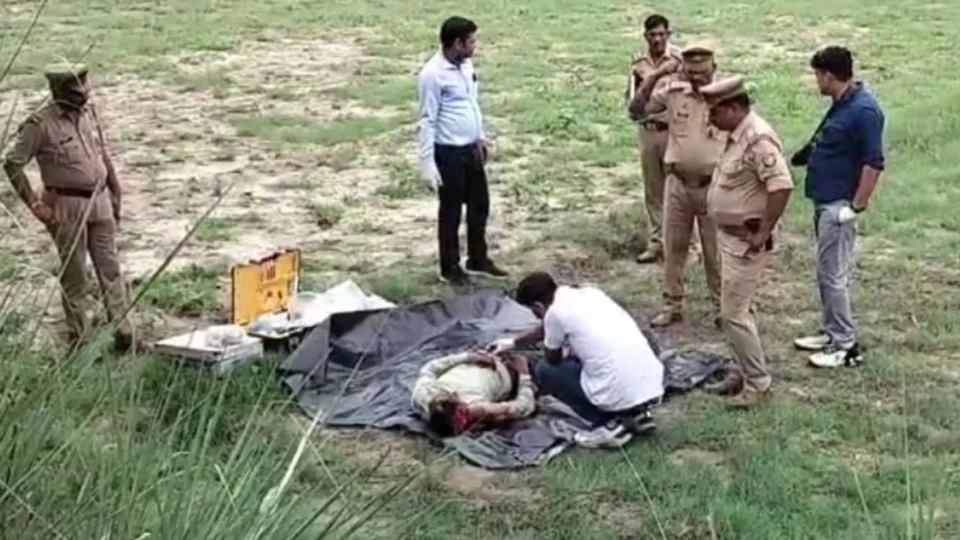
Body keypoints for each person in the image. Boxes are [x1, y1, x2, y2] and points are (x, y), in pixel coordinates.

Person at [3, 63, 137, 353]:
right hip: (66, 205)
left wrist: (115, 189)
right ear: (59, 92)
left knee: (111, 270)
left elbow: (101, 152)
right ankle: (80, 343)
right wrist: (35, 205)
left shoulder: (88, 114)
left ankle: (125, 335)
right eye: (77, 92)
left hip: (99, 200)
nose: (84, 96)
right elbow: (13, 163)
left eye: (85, 89)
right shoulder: (39, 125)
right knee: (75, 277)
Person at [488, 272, 664, 449]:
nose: (535, 316)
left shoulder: (554, 313)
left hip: (616, 387)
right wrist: (512, 343)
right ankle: (636, 413)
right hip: (652, 384)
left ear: (537, 306)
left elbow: (553, 359)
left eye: (533, 311)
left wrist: (563, 352)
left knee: (545, 370)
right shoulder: (590, 293)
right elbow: (545, 329)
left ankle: (609, 423)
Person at [700, 76, 794, 407]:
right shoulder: (736, 135)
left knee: (733, 314)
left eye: (715, 111)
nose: (710, 118)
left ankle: (758, 383)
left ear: (734, 108)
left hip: (746, 242)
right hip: (729, 237)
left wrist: (763, 231)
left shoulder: (757, 140)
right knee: (737, 309)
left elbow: (781, 186)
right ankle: (741, 371)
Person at [790, 46, 884, 368]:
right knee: (825, 271)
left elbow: (874, 163)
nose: (816, 81)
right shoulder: (843, 104)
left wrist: (856, 206)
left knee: (834, 275)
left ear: (829, 75)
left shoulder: (864, 111)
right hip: (824, 200)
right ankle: (831, 331)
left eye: (817, 75)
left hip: (839, 205)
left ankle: (845, 344)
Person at [629, 44, 726, 328]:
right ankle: (672, 305)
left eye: (703, 73)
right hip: (678, 184)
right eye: (691, 72)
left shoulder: (727, 97)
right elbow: (636, 112)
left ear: (714, 69)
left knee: (716, 252)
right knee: (673, 249)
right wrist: (653, 76)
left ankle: (723, 308)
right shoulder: (674, 93)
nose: (697, 79)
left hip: (713, 187)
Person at [417, 16, 507, 286]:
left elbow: (471, 103)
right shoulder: (432, 74)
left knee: (480, 205)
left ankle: (478, 258)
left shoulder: (466, 67)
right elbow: (427, 119)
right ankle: (450, 266)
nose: (475, 46)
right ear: (457, 43)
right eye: (471, 41)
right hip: (449, 153)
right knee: (451, 212)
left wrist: (480, 136)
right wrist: (427, 162)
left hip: (471, 149)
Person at [627, 14, 701, 265]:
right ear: (645, 36)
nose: (657, 39)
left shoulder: (680, 60)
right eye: (652, 35)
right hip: (648, 129)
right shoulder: (638, 64)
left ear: (669, 34)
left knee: (681, 189)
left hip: (674, 130)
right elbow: (633, 103)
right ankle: (657, 243)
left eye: (661, 34)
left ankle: (690, 246)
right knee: (653, 191)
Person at [410, 350, 536, 436]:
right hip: (508, 371)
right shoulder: (477, 408)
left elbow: (429, 368)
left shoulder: (423, 394)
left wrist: (467, 357)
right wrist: (524, 374)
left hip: (483, 355)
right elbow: (525, 406)